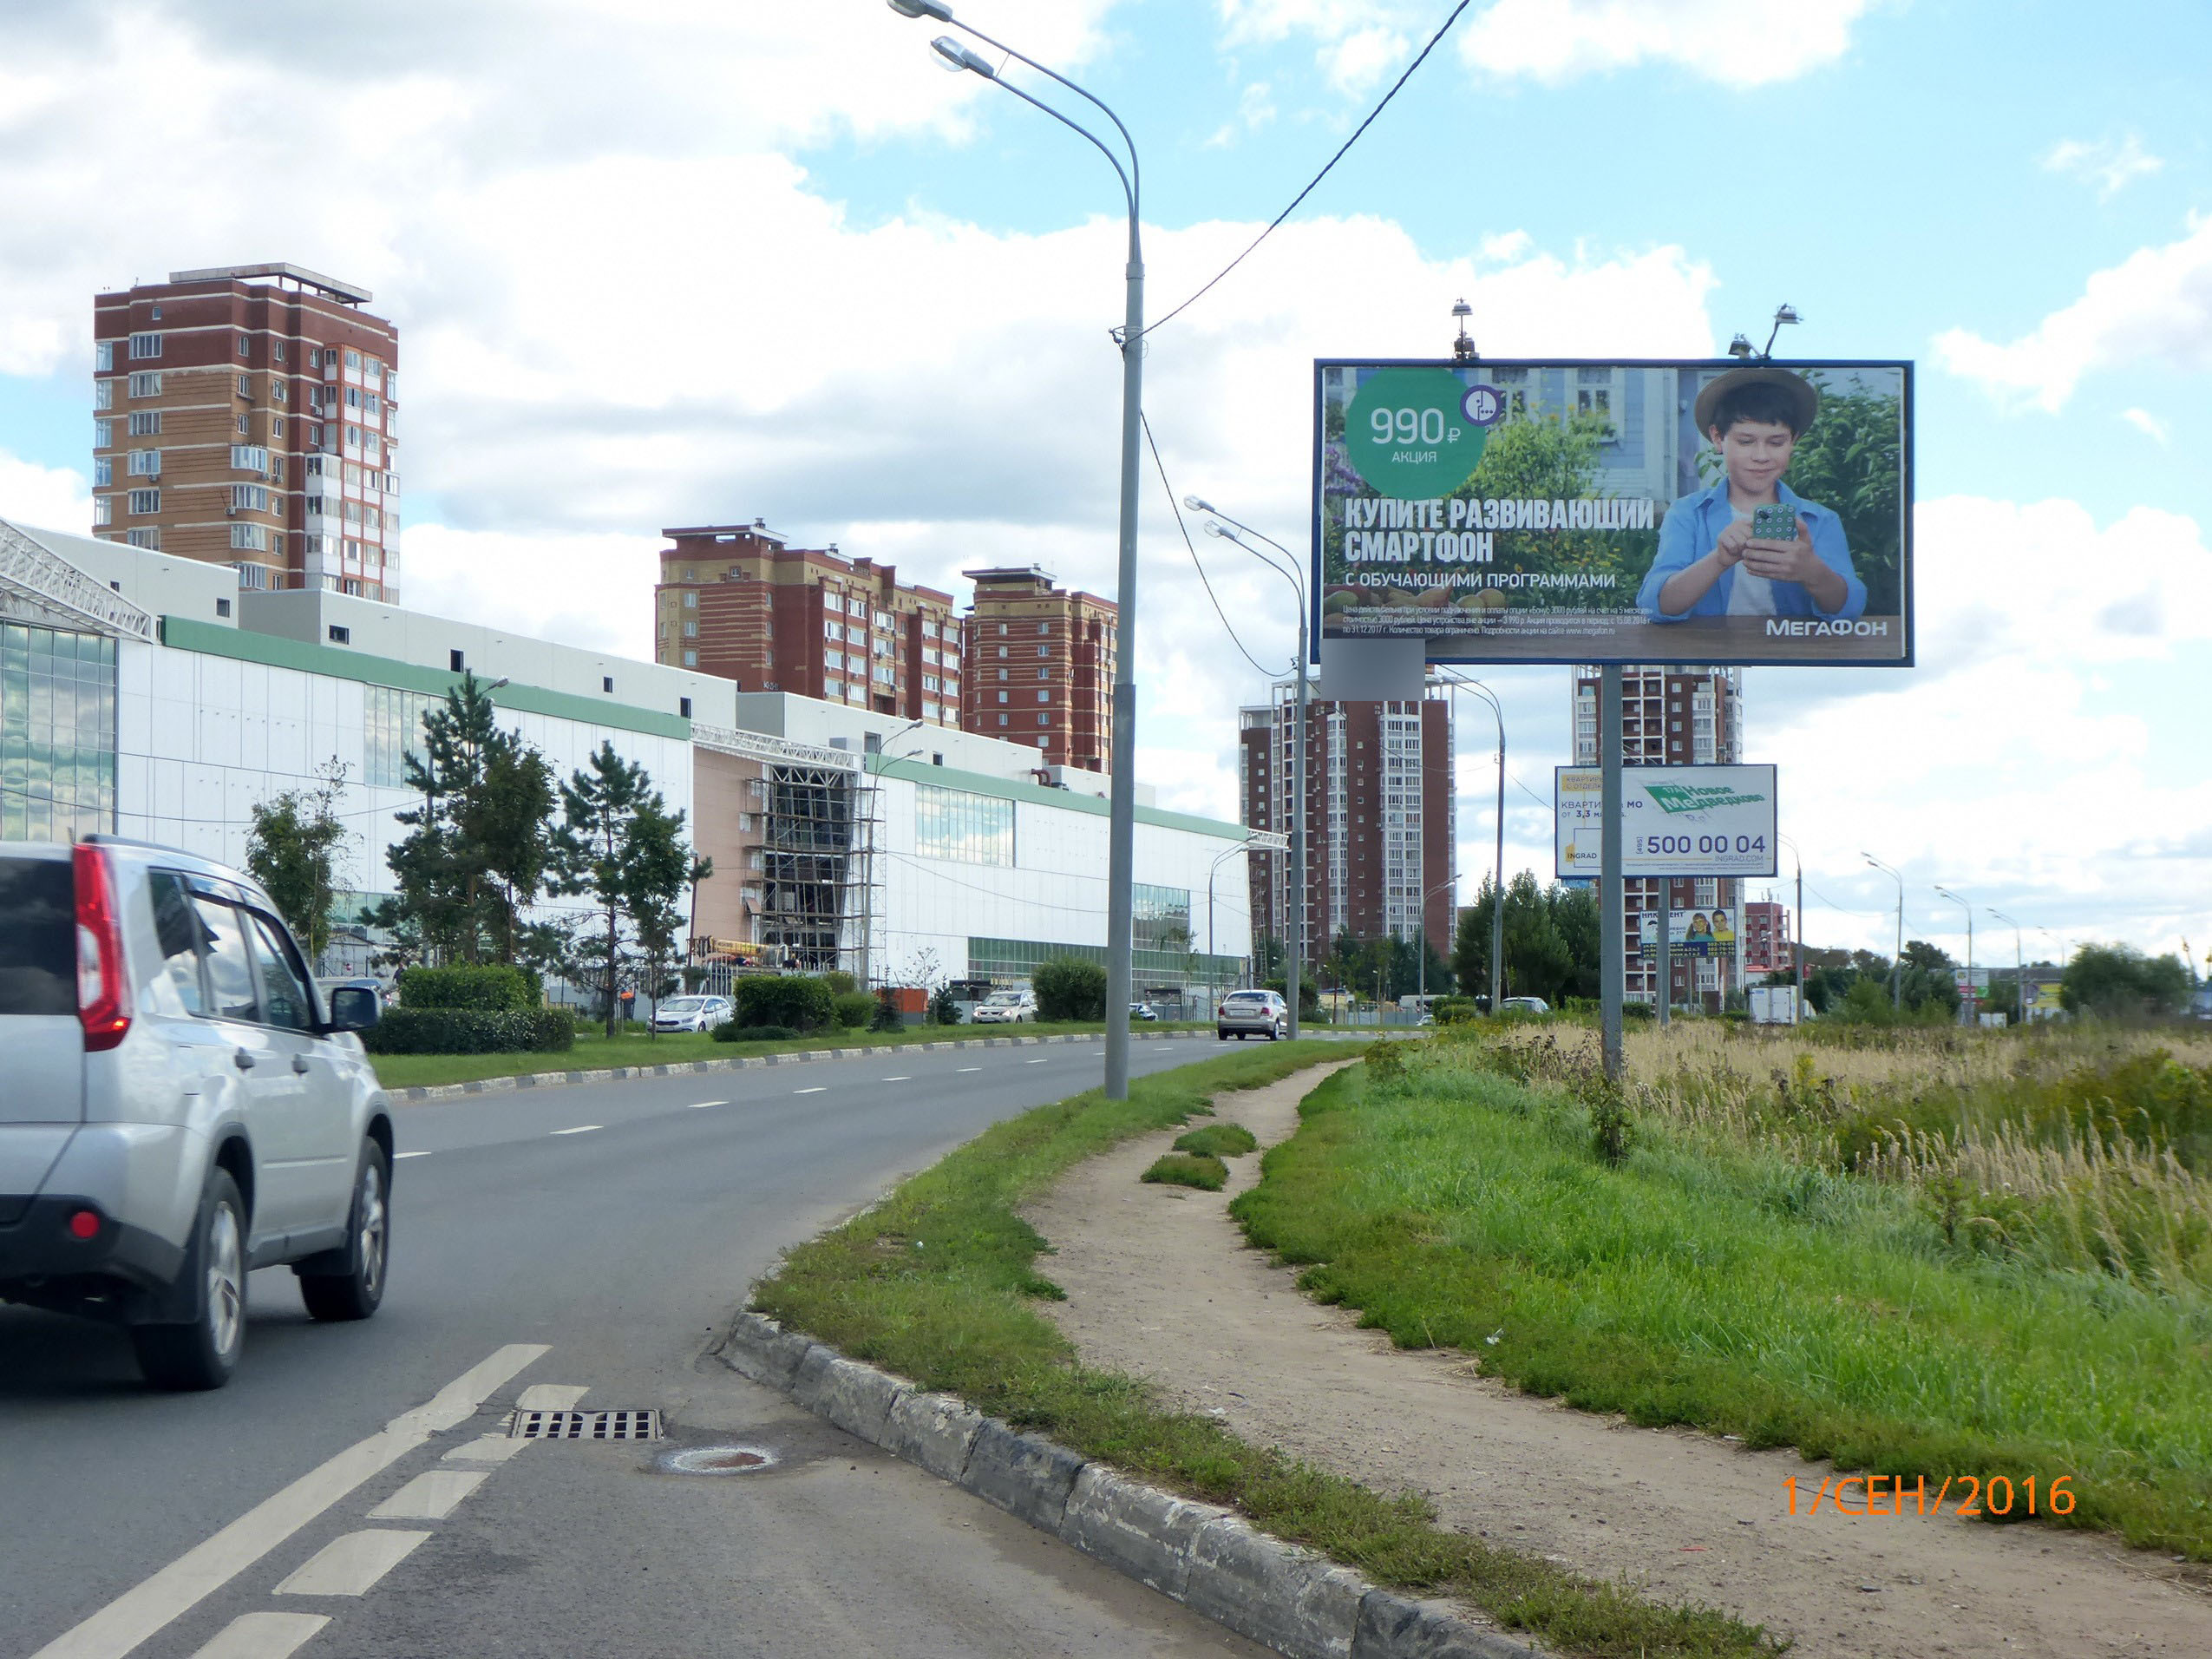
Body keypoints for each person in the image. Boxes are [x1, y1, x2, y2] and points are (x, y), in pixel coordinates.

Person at [1637, 366, 1866, 622]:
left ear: (1794, 441)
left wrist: (1812, 571)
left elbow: (1850, 609)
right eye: (1746, 442)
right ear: (1718, 438)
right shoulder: (1687, 513)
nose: (1761, 456)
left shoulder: (1820, 520)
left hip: (1792, 657)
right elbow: (1655, 606)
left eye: (1776, 442)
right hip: (1706, 654)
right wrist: (1718, 560)